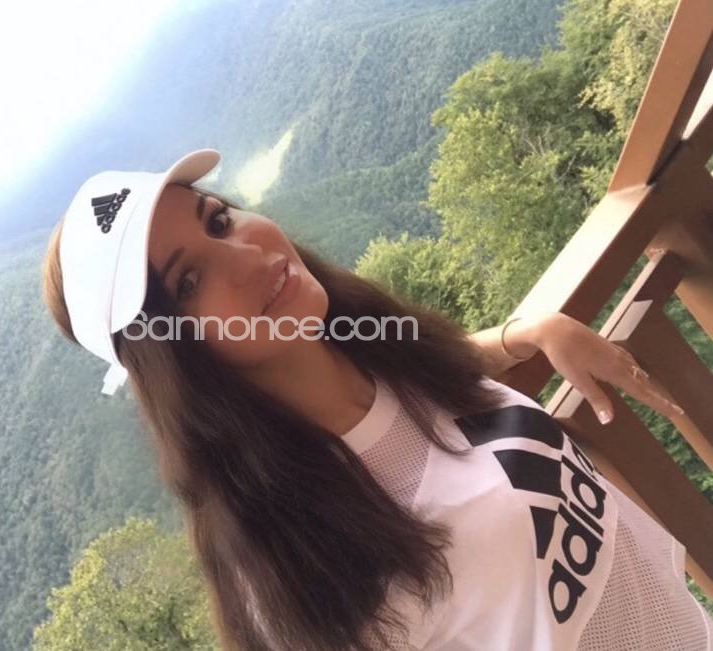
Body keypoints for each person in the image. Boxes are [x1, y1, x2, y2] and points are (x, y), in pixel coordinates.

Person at [41, 148, 711, 650]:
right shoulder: (300, 566)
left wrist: (527, 334)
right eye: (188, 282)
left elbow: (429, 394)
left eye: (218, 220)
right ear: (173, 358)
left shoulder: (389, 359)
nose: (245, 256)